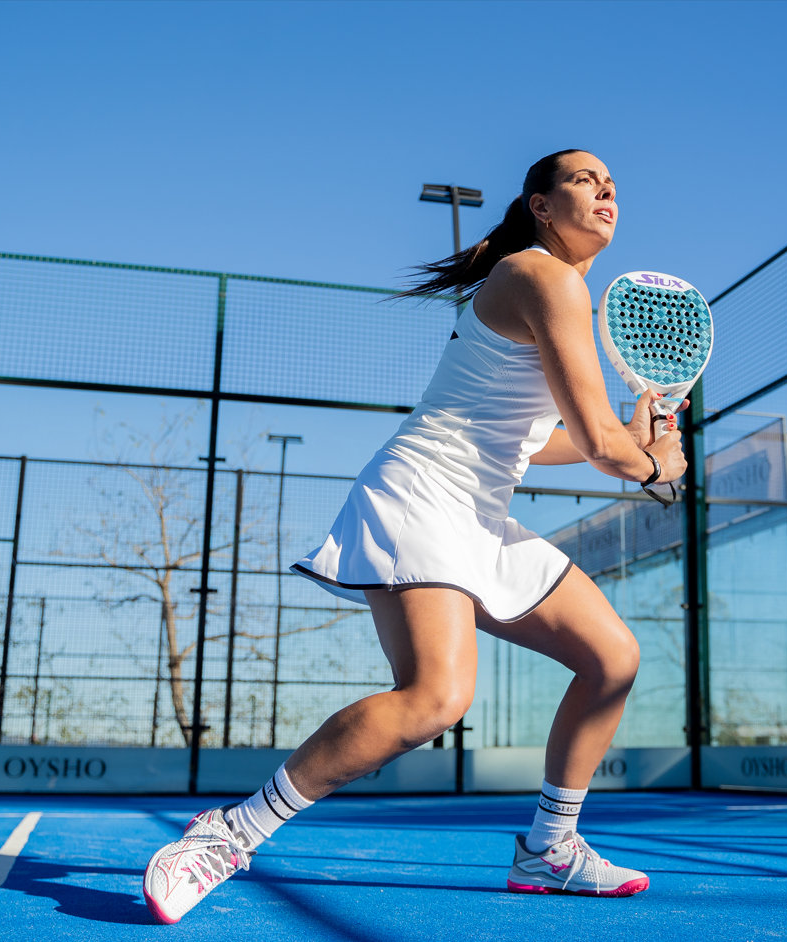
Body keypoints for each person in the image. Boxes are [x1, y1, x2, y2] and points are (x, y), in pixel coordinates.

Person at [143, 149, 687, 922]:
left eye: (612, 186)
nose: (604, 192)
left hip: (477, 513)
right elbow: (604, 447)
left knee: (610, 657)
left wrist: (636, 447)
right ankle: (229, 832)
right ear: (538, 204)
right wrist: (650, 460)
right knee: (434, 697)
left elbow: (548, 439)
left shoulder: (561, 289)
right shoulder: (542, 277)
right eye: (581, 180)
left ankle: (549, 849)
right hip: (422, 497)